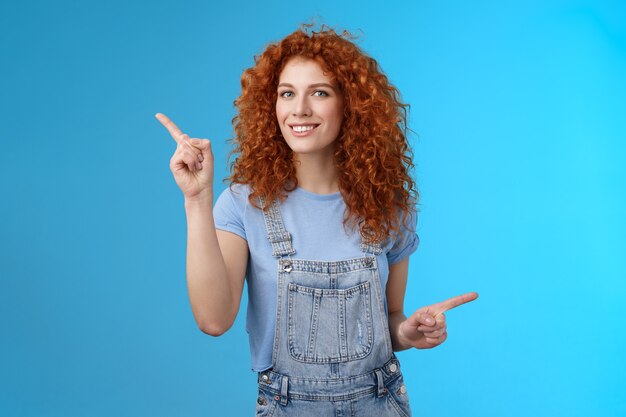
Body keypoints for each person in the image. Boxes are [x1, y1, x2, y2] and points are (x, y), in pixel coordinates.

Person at [156, 23, 478, 417]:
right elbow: (213, 320)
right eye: (287, 93)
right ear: (270, 106)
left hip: (379, 403)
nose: (300, 110)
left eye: (319, 93)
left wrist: (409, 332)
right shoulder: (243, 205)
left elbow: (390, 320)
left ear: (351, 104)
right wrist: (197, 199)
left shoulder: (387, 206)